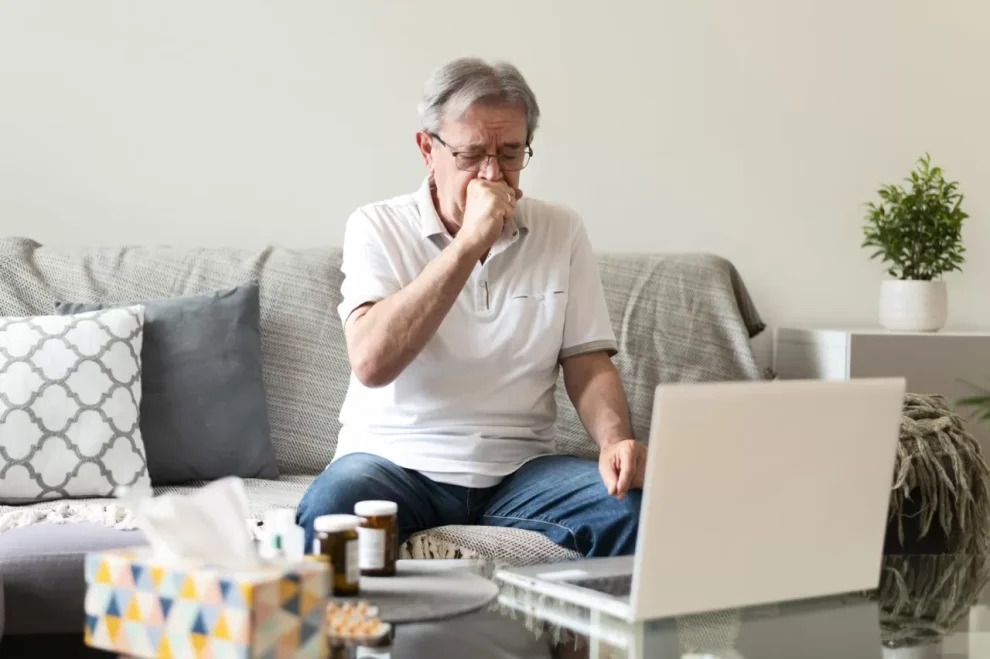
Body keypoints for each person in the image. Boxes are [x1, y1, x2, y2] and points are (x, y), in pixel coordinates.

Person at [296, 57, 647, 557]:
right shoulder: (375, 226)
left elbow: (588, 364)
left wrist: (615, 443)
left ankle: (600, 638)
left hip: (520, 472)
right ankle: (348, 639)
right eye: (471, 155)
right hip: (393, 463)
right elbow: (372, 362)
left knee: (635, 508)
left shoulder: (560, 230)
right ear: (427, 149)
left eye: (510, 153)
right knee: (334, 511)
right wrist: (467, 245)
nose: (492, 175)